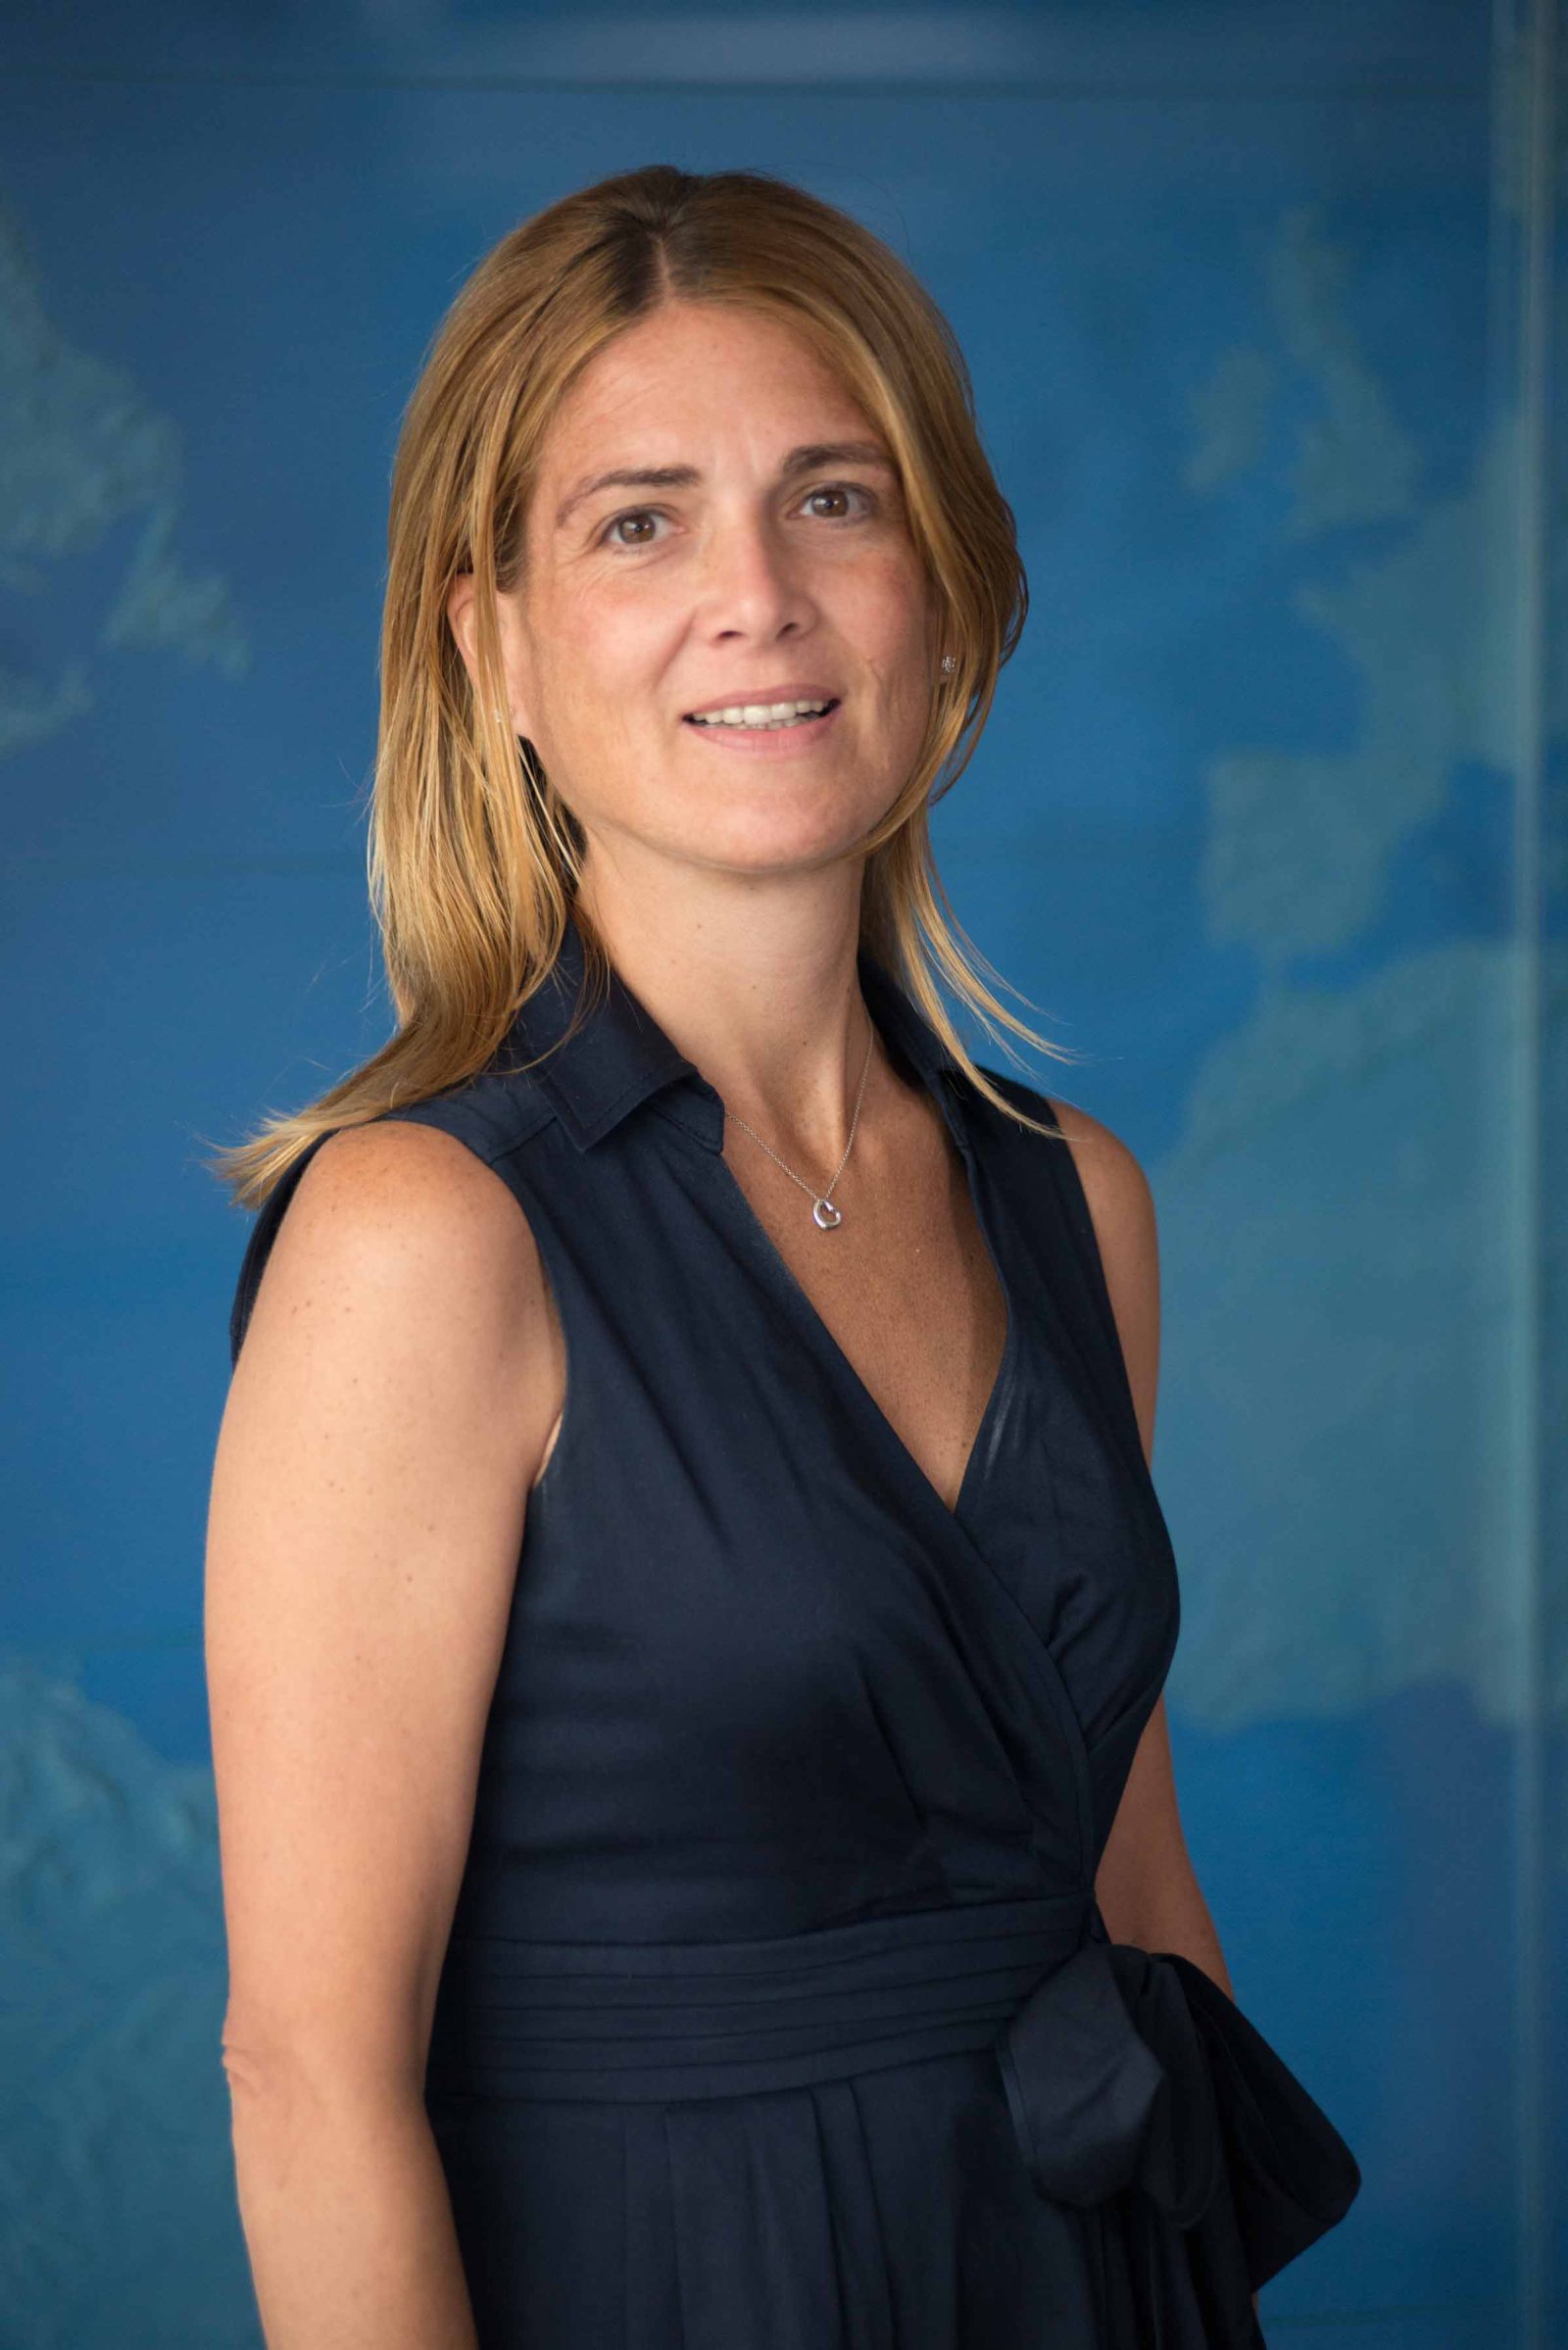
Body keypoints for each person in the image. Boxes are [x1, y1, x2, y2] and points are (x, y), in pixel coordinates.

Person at [204, 164, 1360, 2349]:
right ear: (493, 645)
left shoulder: (1076, 1198)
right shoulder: (422, 1238)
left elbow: (1126, 1879)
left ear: (948, 591)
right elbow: (309, 2080)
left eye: (832, 500)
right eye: (638, 522)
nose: (756, 596)